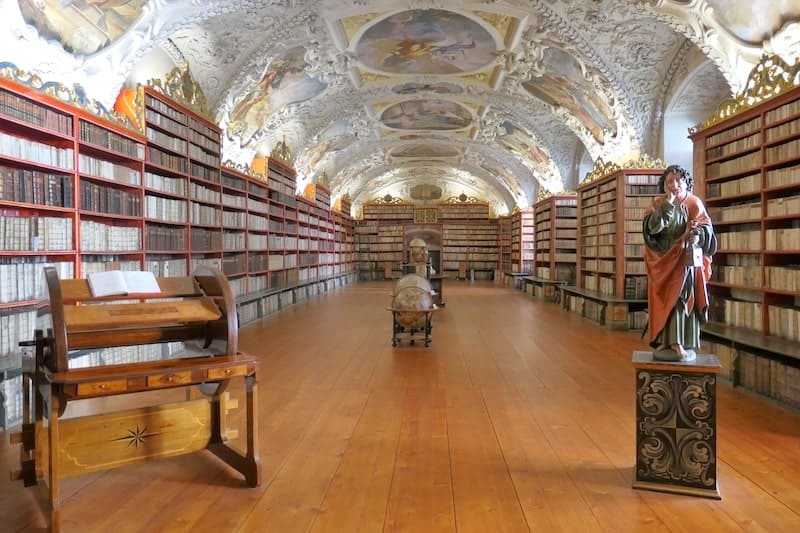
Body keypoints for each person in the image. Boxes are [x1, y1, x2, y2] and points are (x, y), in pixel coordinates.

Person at [642, 165, 717, 361]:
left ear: (686, 181)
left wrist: (697, 236)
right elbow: (651, 230)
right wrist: (668, 205)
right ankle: (665, 340)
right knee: (663, 298)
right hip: (663, 260)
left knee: (680, 299)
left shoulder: (694, 202)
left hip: (685, 261)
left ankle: (678, 342)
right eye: (670, 181)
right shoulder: (658, 203)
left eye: (679, 180)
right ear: (664, 184)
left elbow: (706, 231)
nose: (675, 184)